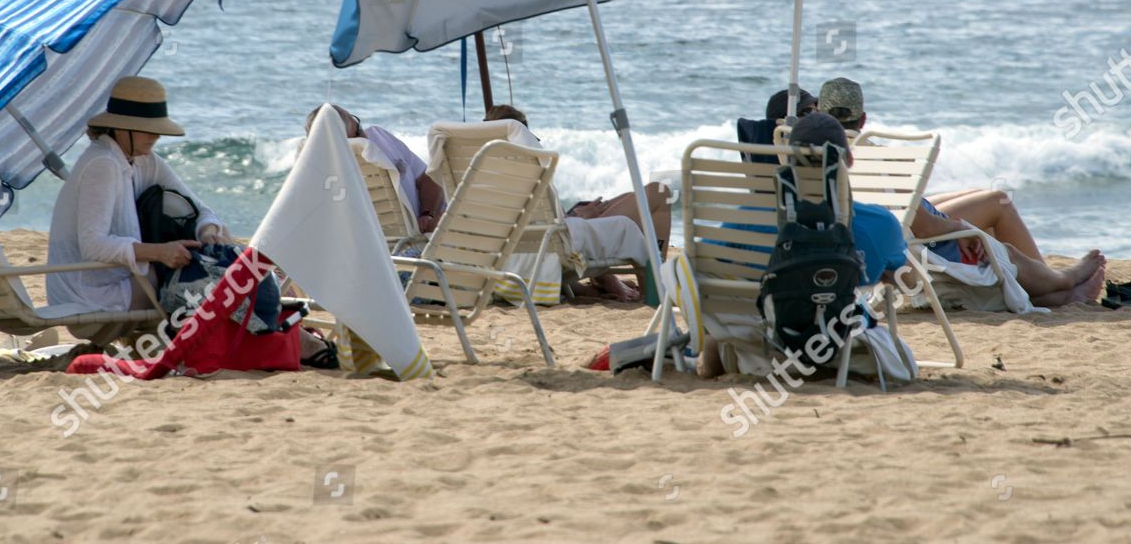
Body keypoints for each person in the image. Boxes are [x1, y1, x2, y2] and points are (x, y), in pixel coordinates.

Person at [51, 77, 334, 365]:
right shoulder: (103, 165)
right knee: (207, 281)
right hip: (91, 289)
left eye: (157, 131)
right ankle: (296, 341)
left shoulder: (138, 160)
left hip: (122, 278)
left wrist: (207, 230)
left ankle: (284, 337)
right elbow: (93, 245)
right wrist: (160, 252)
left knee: (213, 259)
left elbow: (202, 210)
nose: (155, 137)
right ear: (121, 128)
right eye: (148, 130)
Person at [817, 77, 1107, 305]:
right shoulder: (872, 156)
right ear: (863, 119)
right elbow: (927, 227)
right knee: (998, 202)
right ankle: (1058, 281)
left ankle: (1051, 286)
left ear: (819, 113)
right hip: (916, 236)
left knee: (980, 195)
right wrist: (963, 228)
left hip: (890, 225)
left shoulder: (809, 154)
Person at [697, 112, 908, 379]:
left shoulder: (749, 218)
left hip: (762, 345)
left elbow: (700, 262)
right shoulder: (881, 224)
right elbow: (899, 275)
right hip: (839, 344)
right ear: (849, 160)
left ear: (787, 160)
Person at [482, 104, 670, 303]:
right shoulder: (524, 165)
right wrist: (578, 217)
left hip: (535, 244)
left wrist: (575, 216)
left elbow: (529, 221)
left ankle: (618, 281)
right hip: (560, 241)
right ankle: (654, 289)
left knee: (640, 195)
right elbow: (549, 227)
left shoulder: (480, 175)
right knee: (659, 193)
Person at [308, 105, 447, 233]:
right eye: (358, 130)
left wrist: (427, 214)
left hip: (428, 222)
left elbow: (428, 178)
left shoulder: (378, 136)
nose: (364, 135)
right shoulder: (333, 172)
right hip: (412, 239)